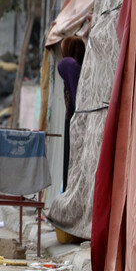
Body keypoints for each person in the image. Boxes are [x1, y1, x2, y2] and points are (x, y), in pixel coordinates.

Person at [57, 36, 85, 190]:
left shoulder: (74, 67)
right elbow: (68, 63)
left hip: (75, 116)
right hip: (75, 116)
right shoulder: (68, 65)